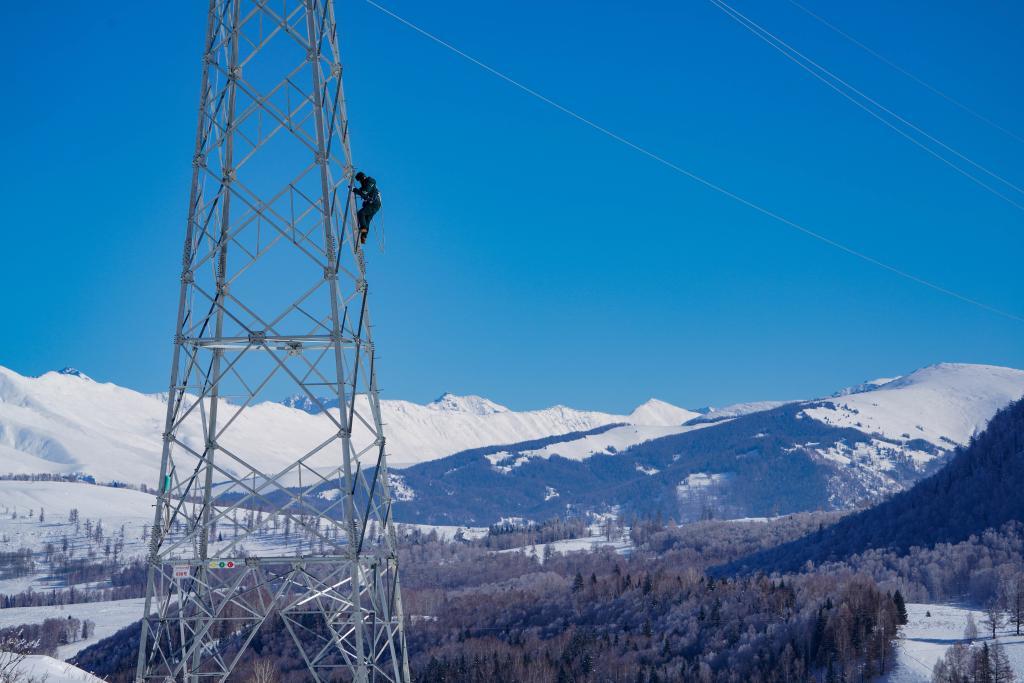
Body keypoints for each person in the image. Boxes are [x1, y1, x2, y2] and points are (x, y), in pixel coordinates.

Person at [353, 171, 381, 245]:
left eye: (360, 180)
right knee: (366, 219)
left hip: (374, 203)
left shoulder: (370, 181)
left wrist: (354, 190)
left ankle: (363, 229)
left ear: (362, 178)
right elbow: (363, 192)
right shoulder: (365, 184)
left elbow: (364, 192)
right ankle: (364, 236)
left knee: (361, 213)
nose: (360, 182)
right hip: (373, 204)